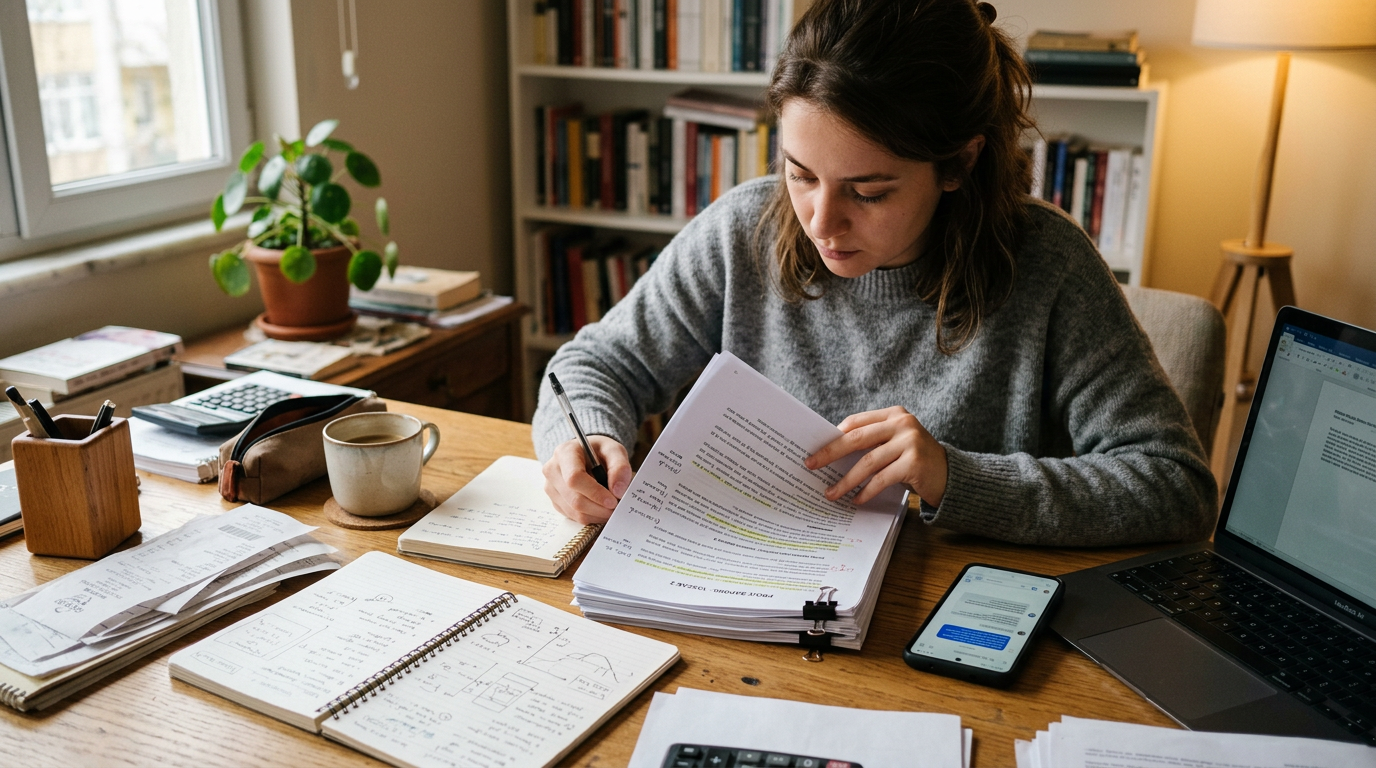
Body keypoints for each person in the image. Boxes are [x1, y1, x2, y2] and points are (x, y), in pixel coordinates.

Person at [533, 0, 1218, 546]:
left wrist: (955, 476)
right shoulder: (743, 230)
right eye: (800, 174)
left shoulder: (1048, 267)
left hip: (952, 633)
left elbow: (1173, 487)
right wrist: (581, 435)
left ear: (959, 164)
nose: (820, 221)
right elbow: (593, 365)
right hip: (753, 587)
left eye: (869, 191)